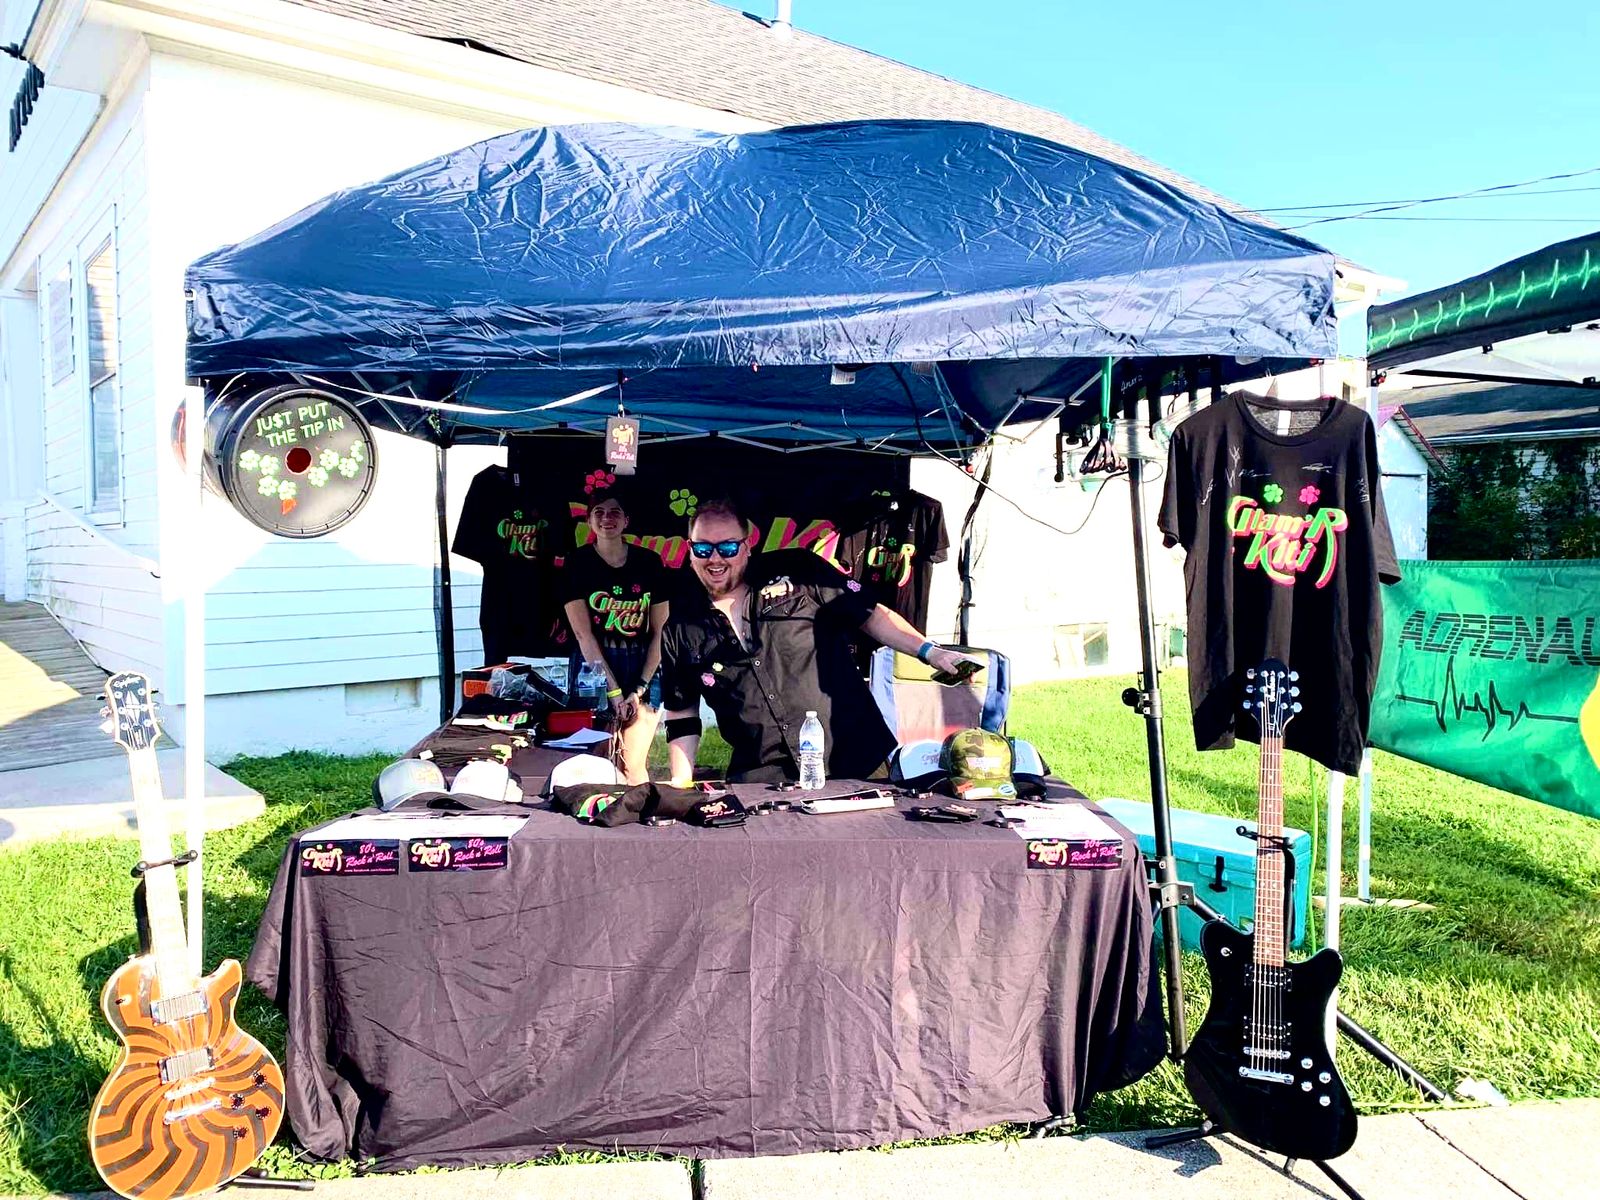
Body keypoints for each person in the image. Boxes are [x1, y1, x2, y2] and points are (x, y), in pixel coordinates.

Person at [659, 495, 972, 784]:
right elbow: (682, 712)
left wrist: (930, 652)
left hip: (854, 758)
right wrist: (681, 783)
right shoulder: (679, 627)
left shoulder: (799, 569)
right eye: (703, 549)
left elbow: (871, 614)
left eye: (727, 548)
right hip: (763, 777)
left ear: (747, 545)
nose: (715, 558)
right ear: (690, 550)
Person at [561, 487, 670, 784]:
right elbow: (583, 635)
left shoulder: (649, 562)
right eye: (598, 512)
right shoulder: (576, 563)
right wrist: (613, 692)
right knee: (594, 765)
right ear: (588, 521)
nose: (606, 518)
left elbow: (661, 631)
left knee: (631, 766)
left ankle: (639, 811)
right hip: (593, 668)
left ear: (626, 520)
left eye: (614, 512)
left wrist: (638, 689)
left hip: (643, 665)